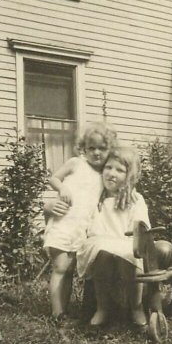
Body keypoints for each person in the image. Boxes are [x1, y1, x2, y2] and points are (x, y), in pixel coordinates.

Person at [43, 122, 117, 319]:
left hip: (81, 228)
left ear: (110, 149)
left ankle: (64, 310)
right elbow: (53, 178)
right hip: (64, 222)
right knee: (60, 268)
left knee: (69, 270)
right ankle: (57, 313)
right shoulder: (77, 163)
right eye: (91, 148)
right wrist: (62, 188)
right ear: (84, 149)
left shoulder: (104, 174)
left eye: (102, 148)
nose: (97, 153)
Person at [77, 145, 149, 328]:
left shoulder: (134, 199)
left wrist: (136, 233)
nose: (112, 174)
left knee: (129, 254)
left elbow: (140, 225)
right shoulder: (96, 198)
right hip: (100, 244)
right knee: (101, 252)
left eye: (120, 170)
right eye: (108, 168)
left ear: (129, 176)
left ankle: (136, 306)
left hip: (125, 244)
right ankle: (103, 307)